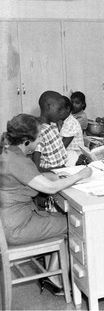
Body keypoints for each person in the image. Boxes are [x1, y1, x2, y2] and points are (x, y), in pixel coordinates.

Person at [0, 114, 92, 295]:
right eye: (39, 136)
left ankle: (51, 273)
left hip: (9, 222)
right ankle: (55, 279)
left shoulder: (8, 153)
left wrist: (51, 176)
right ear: (27, 141)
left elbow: (30, 179)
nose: (41, 140)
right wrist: (80, 175)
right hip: (18, 227)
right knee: (76, 226)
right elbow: (50, 188)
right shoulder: (18, 161)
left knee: (61, 219)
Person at [32, 91, 67, 172]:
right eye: (60, 108)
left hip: (62, 169)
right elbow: (36, 168)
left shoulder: (53, 125)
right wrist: (53, 173)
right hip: (51, 173)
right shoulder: (40, 132)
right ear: (48, 107)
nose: (63, 112)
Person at [60, 96, 84, 166]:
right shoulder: (65, 121)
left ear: (67, 109)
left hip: (74, 157)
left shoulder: (71, 122)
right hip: (68, 154)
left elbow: (62, 147)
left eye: (60, 109)